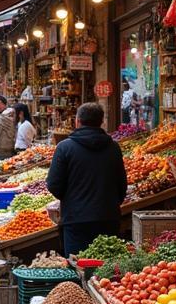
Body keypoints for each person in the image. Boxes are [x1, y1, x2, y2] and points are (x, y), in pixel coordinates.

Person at [46, 102, 127, 258]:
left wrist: (70, 199)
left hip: (76, 220)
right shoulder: (114, 148)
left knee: (78, 263)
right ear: (101, 122)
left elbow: (54, 185)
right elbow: (122, 185)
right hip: (108, 217)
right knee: (105, 268)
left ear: (77, 121)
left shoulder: (64, 148)